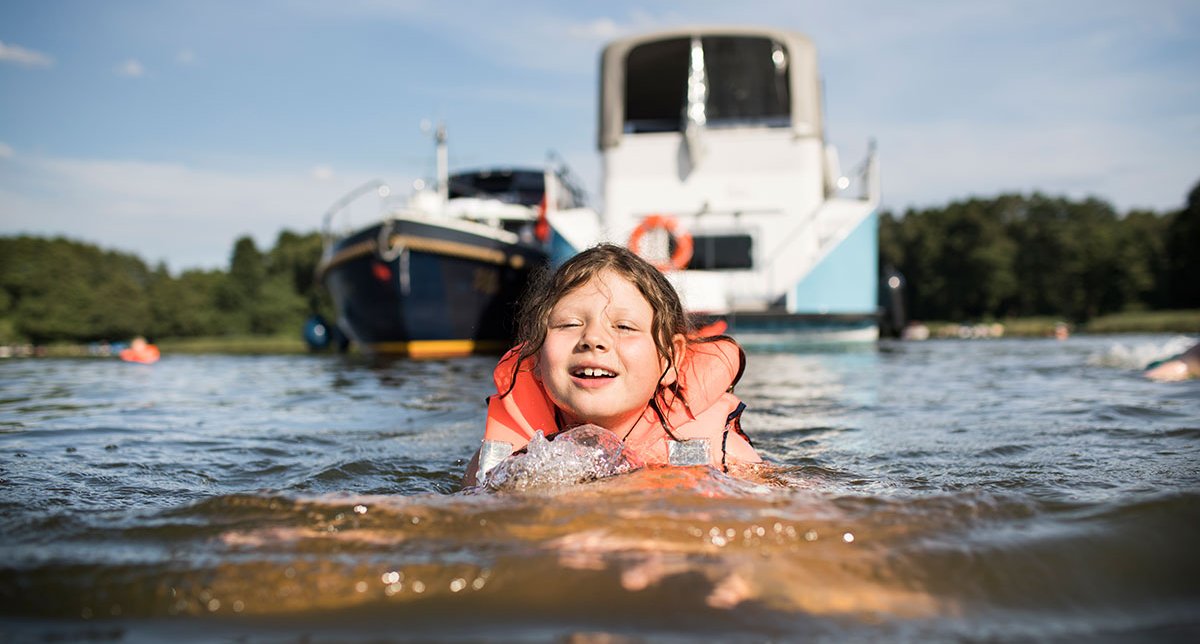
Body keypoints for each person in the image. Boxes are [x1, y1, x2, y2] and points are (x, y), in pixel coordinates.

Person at [462, 244, 761, 487]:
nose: (593, 339)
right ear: (536, 357)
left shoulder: (724, 459)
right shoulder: (498, 466)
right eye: (569, 324)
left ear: (670, 360)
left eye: (624, 326)